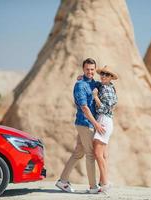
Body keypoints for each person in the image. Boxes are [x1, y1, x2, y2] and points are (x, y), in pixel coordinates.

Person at [56, 58, 105, 194]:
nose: (90, 71)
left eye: (92, 69)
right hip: (85, 123)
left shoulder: (93, 83)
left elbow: (103, 85)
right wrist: (96, 124)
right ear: (83, 69)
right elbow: (84, 107)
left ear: (94, 70)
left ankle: (62, 181)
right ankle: (93, 187)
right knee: (90, 154)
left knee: (78, 153)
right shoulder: (80, 85)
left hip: (89, 124)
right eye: (87, 69)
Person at [92, 65, 118, 193]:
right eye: (102, 73)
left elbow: (106, 109)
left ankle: (105, 182)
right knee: (103, 154)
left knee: (97, 153)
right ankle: (103, 182)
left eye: (106, 75)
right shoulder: (106, 86)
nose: (103, 76)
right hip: (105, 120)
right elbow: (96, 83)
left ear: (111, 77)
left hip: (104, 120)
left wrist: (95, 97)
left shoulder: (107, 90)